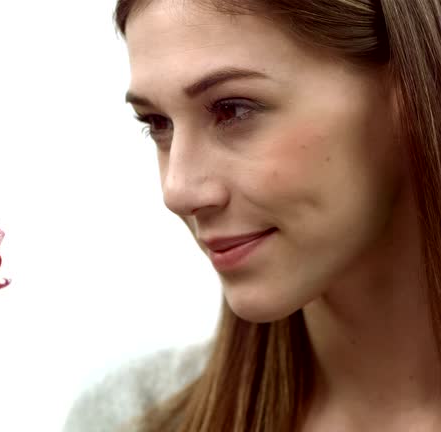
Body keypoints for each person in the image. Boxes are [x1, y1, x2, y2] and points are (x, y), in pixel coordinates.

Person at [63, 0, 441, 431]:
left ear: (408, 90)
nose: (178, 190)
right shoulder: (132, 417)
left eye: (233, 109)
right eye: (158, 124)